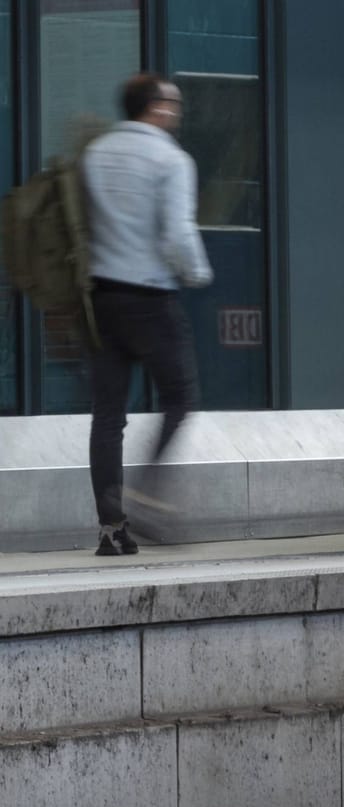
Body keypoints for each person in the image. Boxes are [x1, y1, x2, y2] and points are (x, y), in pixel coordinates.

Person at [81, 74, 212, 556]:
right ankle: (148, 490)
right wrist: (197, 272)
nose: (176, 111)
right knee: (180, 396)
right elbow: (178, 232)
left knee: (108, 416)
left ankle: (111, 530)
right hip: (151, 298)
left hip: (102, 298)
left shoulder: (95, 155)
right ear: (154, 107)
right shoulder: (171, 159)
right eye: (172, 103)